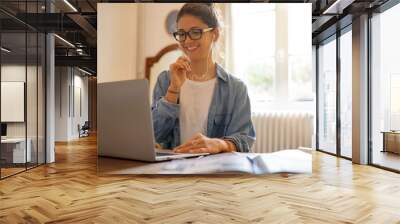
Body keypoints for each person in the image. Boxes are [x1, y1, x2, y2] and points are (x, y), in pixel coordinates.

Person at [151, 3, 255, 154]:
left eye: (195, 32)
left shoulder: (236, 88)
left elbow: (245, 140)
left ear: (215, 34)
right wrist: (173, 90)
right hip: (173, 171)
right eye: (181, 33)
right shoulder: (165, 80)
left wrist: (220, 144)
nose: (186, 41)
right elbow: (156, 135)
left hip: (216, 172)